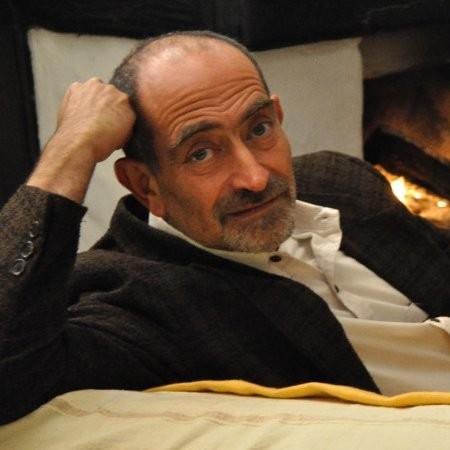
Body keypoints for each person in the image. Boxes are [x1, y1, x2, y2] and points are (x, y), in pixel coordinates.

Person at [1, 30, 450, 425]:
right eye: (201, 153)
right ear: (144, 185)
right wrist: (71, 147)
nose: (254, 178)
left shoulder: (339, 181)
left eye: (259, 129)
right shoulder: (138, 298)